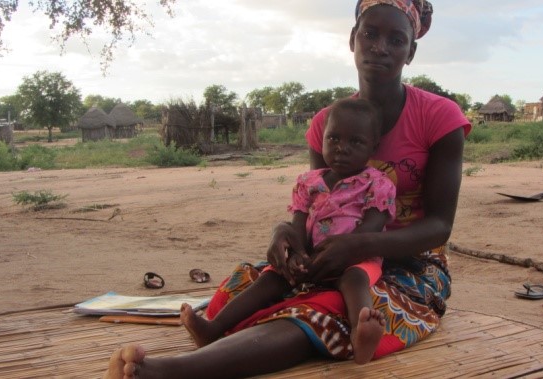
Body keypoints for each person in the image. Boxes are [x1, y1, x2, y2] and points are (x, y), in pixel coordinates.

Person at [104, 1, 472, 378]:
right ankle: (210, 342)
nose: (380, 46)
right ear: (352, 40)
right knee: (250, 287)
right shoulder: (326, 125)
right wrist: (286, 235)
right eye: (370, 34)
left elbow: (440, 226)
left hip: (412, 262)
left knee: (324, 310)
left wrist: (361, 246)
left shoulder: (439, 117)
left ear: (411, 51)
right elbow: (319, 206)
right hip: (332, 251)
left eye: (396, 39)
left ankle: (171, 372)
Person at [181, 97, 397, 365]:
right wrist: (296, 256)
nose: (342, 149)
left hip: (357, 257)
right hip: (310, 257)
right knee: (272, 277)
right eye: (334, 139)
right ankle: (214, 328)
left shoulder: (378, 183)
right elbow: (296, 226)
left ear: (373, 147)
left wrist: (342, 253)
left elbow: (372, 228)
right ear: (322, 139)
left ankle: (361, 334)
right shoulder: (309, 182)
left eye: (356, 142)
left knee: (354, 281)